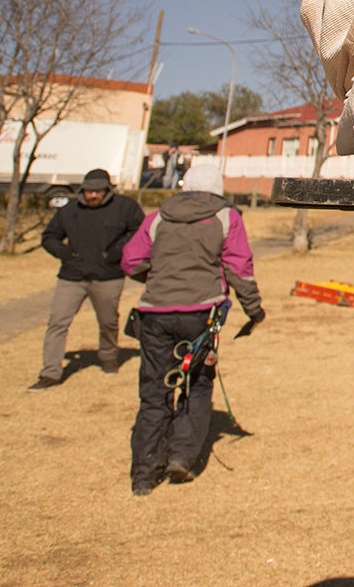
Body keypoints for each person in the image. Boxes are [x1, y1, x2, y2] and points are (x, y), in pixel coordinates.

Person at [120, 170, 264, 495]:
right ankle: (182, 457)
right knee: (196, 385)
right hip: (201, 315)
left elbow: (130, 261)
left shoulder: (158, 217)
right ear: (217, 191)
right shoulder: (226, 217)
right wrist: (254, 309)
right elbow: (239, 268)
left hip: (154, 313)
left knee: (154, 393)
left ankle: (143, 475)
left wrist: (160, 277)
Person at [30, 169, 145, 390]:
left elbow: (139, 231)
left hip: (108, 276)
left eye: (97, 192)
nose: (92, 196)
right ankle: (50, 373)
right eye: (88, 191)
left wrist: (117, 252)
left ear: (108, 190)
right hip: (72, 276)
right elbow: (49, 237)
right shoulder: (69, 210)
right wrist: (65, 254)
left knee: (108, 321)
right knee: (57, 322)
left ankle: (109, 356)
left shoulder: (125, 207)